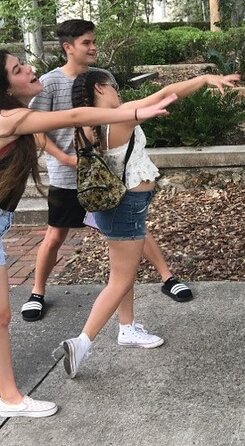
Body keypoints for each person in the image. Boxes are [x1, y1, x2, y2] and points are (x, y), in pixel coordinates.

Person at [0, 49, 175, 417]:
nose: (29, 69)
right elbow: (76, 116)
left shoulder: (17, 117)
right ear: (5, 86)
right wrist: (133, 114)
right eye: (18, 69)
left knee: (1, 316)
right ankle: (12, 397)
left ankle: (8, 396)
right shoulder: (7, 118)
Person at [60, 69, 239, 379]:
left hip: (114, 205)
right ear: (100, 88)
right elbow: (165, 94)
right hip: (126, 205)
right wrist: (203, 80)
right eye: (113, 86)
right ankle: (82, 342)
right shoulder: (119, 119)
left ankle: (127, 327)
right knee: (120, 279)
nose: (117, 91)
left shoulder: (88, 125)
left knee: (123, 272)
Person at [22, 19, 192, 323]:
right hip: (69, 176)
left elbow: (117, 117)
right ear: (68, 47)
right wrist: (65, 159)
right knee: (56, 234)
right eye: (86, 43)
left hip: (109, 172)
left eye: (93, 41)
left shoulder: (102, 78)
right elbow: (36, 129)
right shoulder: (49, 83)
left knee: (132, 229)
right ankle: (37, 292)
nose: (93, 47)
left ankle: (167, 277)